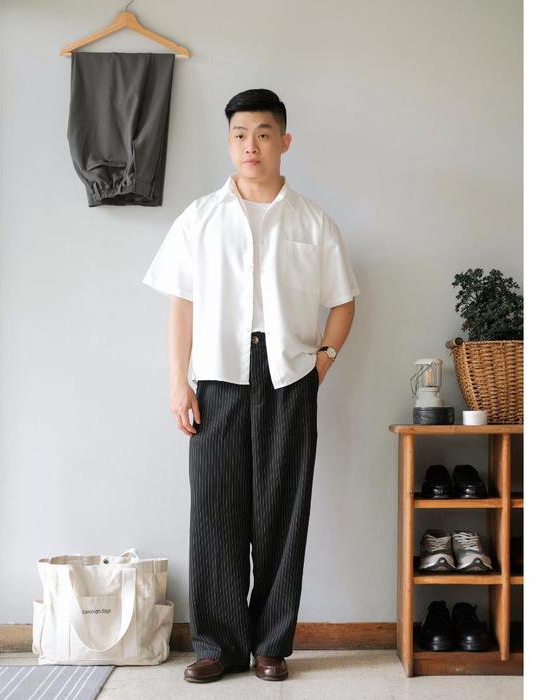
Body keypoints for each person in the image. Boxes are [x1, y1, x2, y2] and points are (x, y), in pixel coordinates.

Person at [143, 88, 360, 683]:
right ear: (229, 142)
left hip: (289, 376)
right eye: (240, 134)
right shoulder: (200, 218)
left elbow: (343, 301)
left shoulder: (313, 221)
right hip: (217, 377)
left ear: (284, 141)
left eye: (263, 134)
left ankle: (271, 644)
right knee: (215, 510)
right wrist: (178, 383)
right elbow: (181, 305)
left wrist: (321, 363)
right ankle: (218, 645)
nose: (251, 146)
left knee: (281, 513)